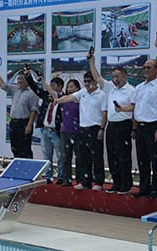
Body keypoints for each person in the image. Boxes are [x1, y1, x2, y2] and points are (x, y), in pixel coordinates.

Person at [53, 48, 108, 190]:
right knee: (83, 157)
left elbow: (104, 113)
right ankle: (85, 181)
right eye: (85, 81)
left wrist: (102, 129)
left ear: (95, 82)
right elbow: (69, 97)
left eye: (89, 80)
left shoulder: (101, 95)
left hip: (95, 128)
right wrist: (57, 101)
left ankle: (98, 182)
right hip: (82, 129)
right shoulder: (82, 92)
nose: (87, 83)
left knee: (96, 157)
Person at [131, 53, 157, 199]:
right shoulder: (139, 87)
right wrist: (134, 128)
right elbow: (135, 109)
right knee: (142, 159)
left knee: (156, 160)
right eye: (144, 67)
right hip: (140, 127)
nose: (145, 70)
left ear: (156, 70)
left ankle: (155, 190)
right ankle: (144, 188)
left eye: (149, 67)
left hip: (153, 127)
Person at [0, 60, 38, 159]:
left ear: (27, 80)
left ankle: (27, 170)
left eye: (21, 79)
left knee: (25, 148)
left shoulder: (32, 93)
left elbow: (34, 110)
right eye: (18, 79)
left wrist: (29, 125)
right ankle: (17, 168)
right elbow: (2, 85)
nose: (19, 81)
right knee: (15, 148)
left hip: (24, 123)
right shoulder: (15, 89)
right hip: (13, 123)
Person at [103, 66, 136, 195]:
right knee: (112, 156)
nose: (115, 79)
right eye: (113, 77)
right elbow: (98, 78)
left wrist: (134, 128)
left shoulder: (131, 90)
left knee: (123, 156)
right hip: (111, 125)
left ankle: (126, 184)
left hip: (124, 125)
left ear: (124, 76)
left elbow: (135, 109)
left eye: (117, 76)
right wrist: (91, 61)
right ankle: (116, 183)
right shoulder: (111, 88)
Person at [56, 78, 81, 187]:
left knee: (79, 157)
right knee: (66, 157)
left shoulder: (80, 99)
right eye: (68, 86)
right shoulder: (63, 99)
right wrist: (42, 80)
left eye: (72, 86)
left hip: (78, 132)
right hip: (65, 131)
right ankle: (67, 179)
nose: (69, 88)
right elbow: (52, 93)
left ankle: (80, 179)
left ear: (78, 88)